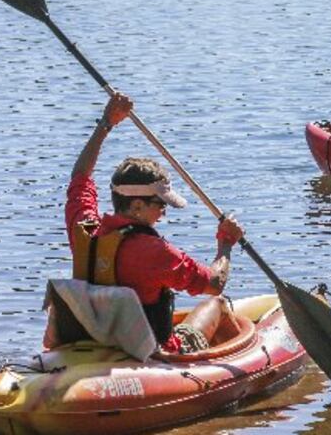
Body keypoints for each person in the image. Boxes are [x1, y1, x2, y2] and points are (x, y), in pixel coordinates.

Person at [65, 92, 243, 354]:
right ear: (137, 205)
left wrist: (106, 123)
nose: (164, 213)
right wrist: (225, 245)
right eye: (160, 205)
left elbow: (80, 176)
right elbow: (214, 283)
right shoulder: (157, 252)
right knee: (217, 304)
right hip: (155, 353)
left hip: (99, 342)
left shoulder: (86, 229)